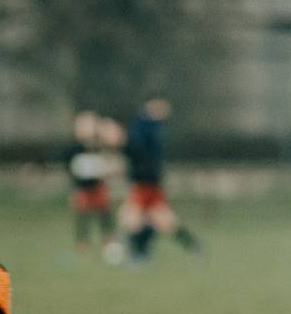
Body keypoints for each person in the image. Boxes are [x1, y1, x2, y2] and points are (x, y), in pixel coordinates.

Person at [121, 96, 200, 261]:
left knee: (142, 220)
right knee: (152, 219)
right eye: (162, 106)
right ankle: (191, 246)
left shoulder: (155, 128)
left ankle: (139, 255)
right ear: (151, 105)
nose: (165, 111)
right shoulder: (141, 127)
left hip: (148, 183)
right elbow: (134, 150)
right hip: (143, 182)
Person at [63, 110, 118, 259]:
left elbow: (108, 164)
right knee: (82, 218)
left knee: (105, 215)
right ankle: (82, 246)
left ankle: (110, 243)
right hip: (82, 188)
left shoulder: (99, 145)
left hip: (98, 186)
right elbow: (71, 169)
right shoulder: (73, 148)